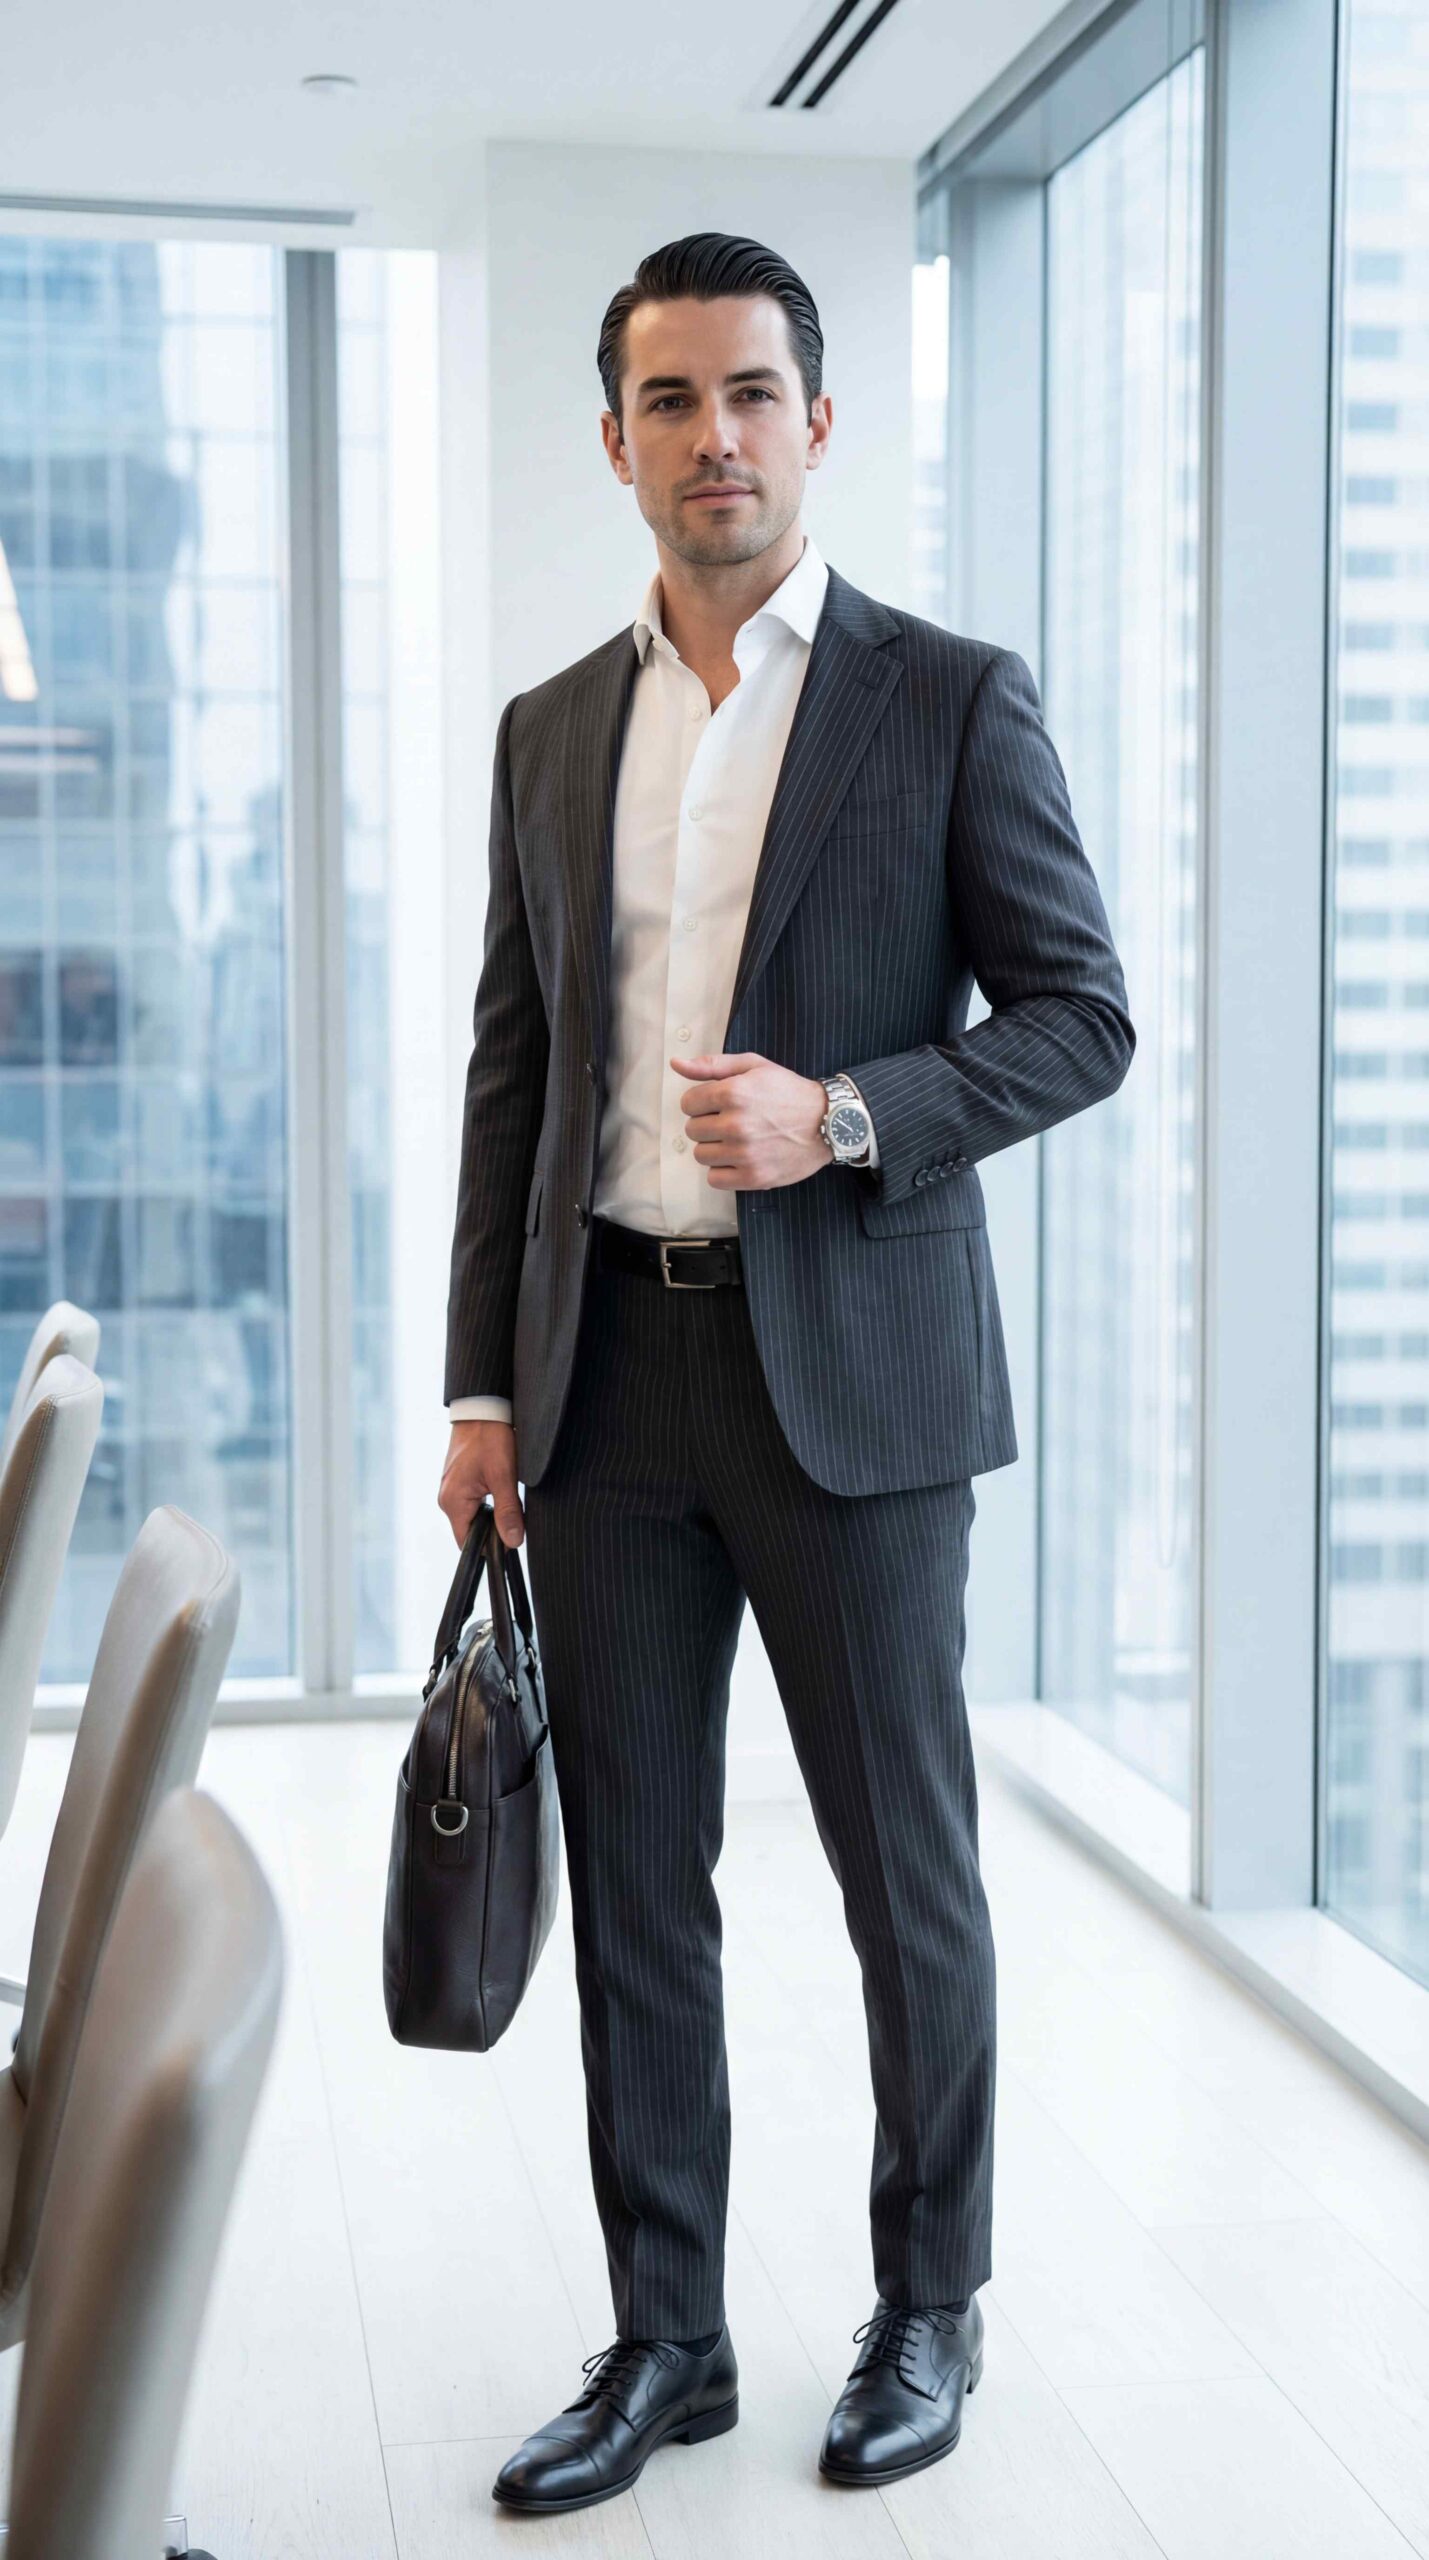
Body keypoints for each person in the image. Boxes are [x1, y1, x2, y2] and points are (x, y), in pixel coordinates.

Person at [438, 230, 1134, 2517]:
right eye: (671, 399)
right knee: (636, 1886)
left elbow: (1081, 1017)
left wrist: (841, 1114)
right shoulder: (553, 727)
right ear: (614, 439)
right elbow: (513, 1076)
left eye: (752, 394)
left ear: (816, 425)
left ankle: (929, 2301)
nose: (714, 437)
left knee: (902, 1874)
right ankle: (670, 2333)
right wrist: (478, 1394)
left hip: (857, 1388)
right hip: (605, 1385)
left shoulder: (950, 698)